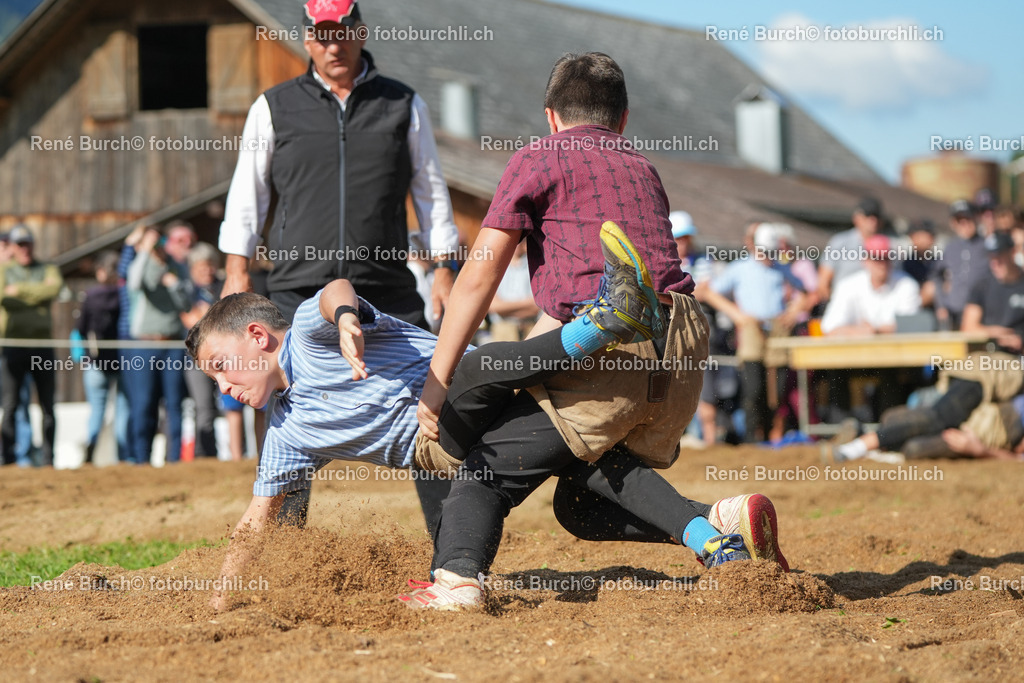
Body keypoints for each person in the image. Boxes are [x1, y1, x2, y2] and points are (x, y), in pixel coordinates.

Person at [189, 277, 787, 611]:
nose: (223, 387)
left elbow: (333, 290)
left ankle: (715, 536)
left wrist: (347, 316)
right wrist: (223, 596)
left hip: (478, 393)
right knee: (483, 388)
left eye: (221, 367)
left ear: (259, 337)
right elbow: (256, 517)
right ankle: (597, 329)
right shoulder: (287, 433)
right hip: (440, 443)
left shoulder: (311, 338)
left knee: (581, 491)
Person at [217, 0, 460, 529]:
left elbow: (432, 191)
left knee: (433, 401)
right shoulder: (274, 106)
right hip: (295, 289)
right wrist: (236, 271)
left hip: (386, 286)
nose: (334, 45)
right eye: (322, 34)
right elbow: (247, 195)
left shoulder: (402, 103)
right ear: (306, 38)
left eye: (343, 31)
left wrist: (444, 266)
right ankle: (286, 546)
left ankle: (455, 549)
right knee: (282, 417)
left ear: (360, 31)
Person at [828, 231, 1024, 463]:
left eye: (1000, 256)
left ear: (1013, 252)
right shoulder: (984, 284)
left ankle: (864, 440)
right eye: (991, 257)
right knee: (939, 416)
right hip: (981, 363)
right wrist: (1000, 333)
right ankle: (863, 444)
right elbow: (969, 327)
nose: (995, 262)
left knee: (930, 429)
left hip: (1009, 367)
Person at [697, 223, 808, 442]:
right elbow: (708, 293)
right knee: (753, 387)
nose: (768, 257)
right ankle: (751, 439)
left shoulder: (780, 268)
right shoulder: (739, 268)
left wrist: (793, 312)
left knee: (777, 388)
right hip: (751, 330)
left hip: (776, 330)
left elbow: (804, 293)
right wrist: (738, 315)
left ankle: (770, 436)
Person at [126, 223, 195, 464]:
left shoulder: (176, 268)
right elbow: (133, 284)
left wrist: (173, 284)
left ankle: (174, 459)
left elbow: (187, 303)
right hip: (144, 344)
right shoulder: (142, 264)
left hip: (172, 343)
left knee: (174, 402)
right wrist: (143, 250)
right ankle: (141, 459)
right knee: (144, 402)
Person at [0, 225, 64, 467]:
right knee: (11, 404)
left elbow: (53, 288)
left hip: (42, 345)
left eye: (28, 243)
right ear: (13, 247)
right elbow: (3, 297)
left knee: (48, 405)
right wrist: (37, 295)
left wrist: (20, 292)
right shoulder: (4, 270)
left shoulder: (48, 268)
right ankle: (8, 460)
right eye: (20, 244)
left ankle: (48, 459)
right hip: (13, 346)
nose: (25, 248)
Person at [77, 250, 121, 464]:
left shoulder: (91, 296)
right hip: (124, 361)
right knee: (123, 410)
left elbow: (81, 329)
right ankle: (125, 456)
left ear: (102, 272)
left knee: (97, 411)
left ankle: (91, 453)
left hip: (96, 363)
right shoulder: (124, 295)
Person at [932, 200, 988, 331]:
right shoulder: (950, 247)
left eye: (968, 218)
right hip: (954, 312)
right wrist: (941, 304)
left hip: (981, 313)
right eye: (959, 220)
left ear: (976, 218)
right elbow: (936, 275)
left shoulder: (987, 246)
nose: (965, 224)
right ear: (953, 223)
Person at [817, 197, 882, 303]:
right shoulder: (840, 242)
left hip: (876, 307)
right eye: (868, 216)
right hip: (843, 304)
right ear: (856, 218)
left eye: (876, 216)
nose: (873, 221)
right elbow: (823, 282)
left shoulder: (888, 246)